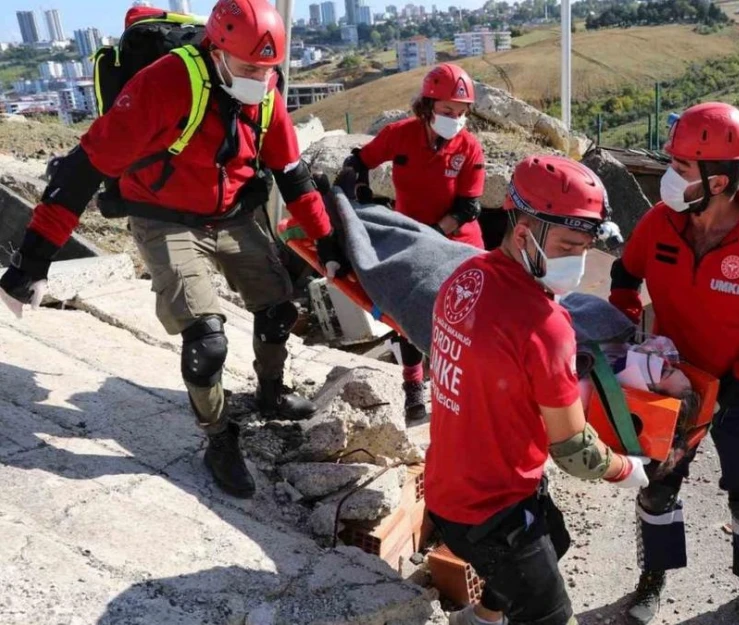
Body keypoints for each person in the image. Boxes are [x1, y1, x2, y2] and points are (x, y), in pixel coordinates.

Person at [0, 0, 349, 500]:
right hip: (164, 219)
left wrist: (328, 241)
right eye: (250, 68)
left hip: (230, 214)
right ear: (218, 49)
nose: (261, 78)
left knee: (277, 308)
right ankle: (219, 438)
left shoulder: (265, 92)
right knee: (206, 340)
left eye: (269, 69)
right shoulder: (165, 84)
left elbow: (293, 176)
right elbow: (83, 170)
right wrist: (32, 263)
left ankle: (271, 392)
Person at [425, 154, 648, 625]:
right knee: (549, 614)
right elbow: (574, 453)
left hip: (453, 482)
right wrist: (626, 469)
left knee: (556, 539)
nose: (578, 262)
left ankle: (479, 620)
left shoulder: (464, 278)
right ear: (524, 231)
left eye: (585, 248)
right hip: (489, 507)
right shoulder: (545, 326)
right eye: (568, 246)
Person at [608, 102, 739, 625]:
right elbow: (625, 277)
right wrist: (628, 334)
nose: (669, 178)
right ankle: (653, 581)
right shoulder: (658, 224)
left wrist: (732, 389)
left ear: (719, 181)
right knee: (658, 484)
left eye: (681, 168)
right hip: (673, 383)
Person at [340, 62, 486, 423]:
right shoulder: (401, 135)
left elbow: (468, 206)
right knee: (406, 312)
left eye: (461, 112)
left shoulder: (469, 148)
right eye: (447, 110)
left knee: (466, 323)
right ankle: (413, 388)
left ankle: (465, 395)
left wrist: (433, 237)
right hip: (409, 234)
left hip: (459, 243)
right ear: (428, 105)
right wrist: (353, 195)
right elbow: (358, 161)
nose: (455, 118)